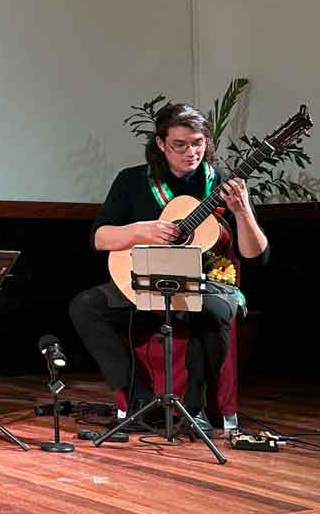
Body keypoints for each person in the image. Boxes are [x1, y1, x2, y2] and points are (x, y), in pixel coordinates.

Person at [69, 103, 269, 433]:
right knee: (85, 306)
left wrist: (244, 211)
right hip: (143, 285)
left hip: (200, 288)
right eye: (180, 144)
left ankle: (195, 409)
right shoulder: (133, 181)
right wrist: (138, 231)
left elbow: (256, 255)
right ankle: (138, 399)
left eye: (198, 143)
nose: (191, 152)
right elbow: (99, 238)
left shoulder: (221, 183)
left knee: (220, 308)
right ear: (161, 144)